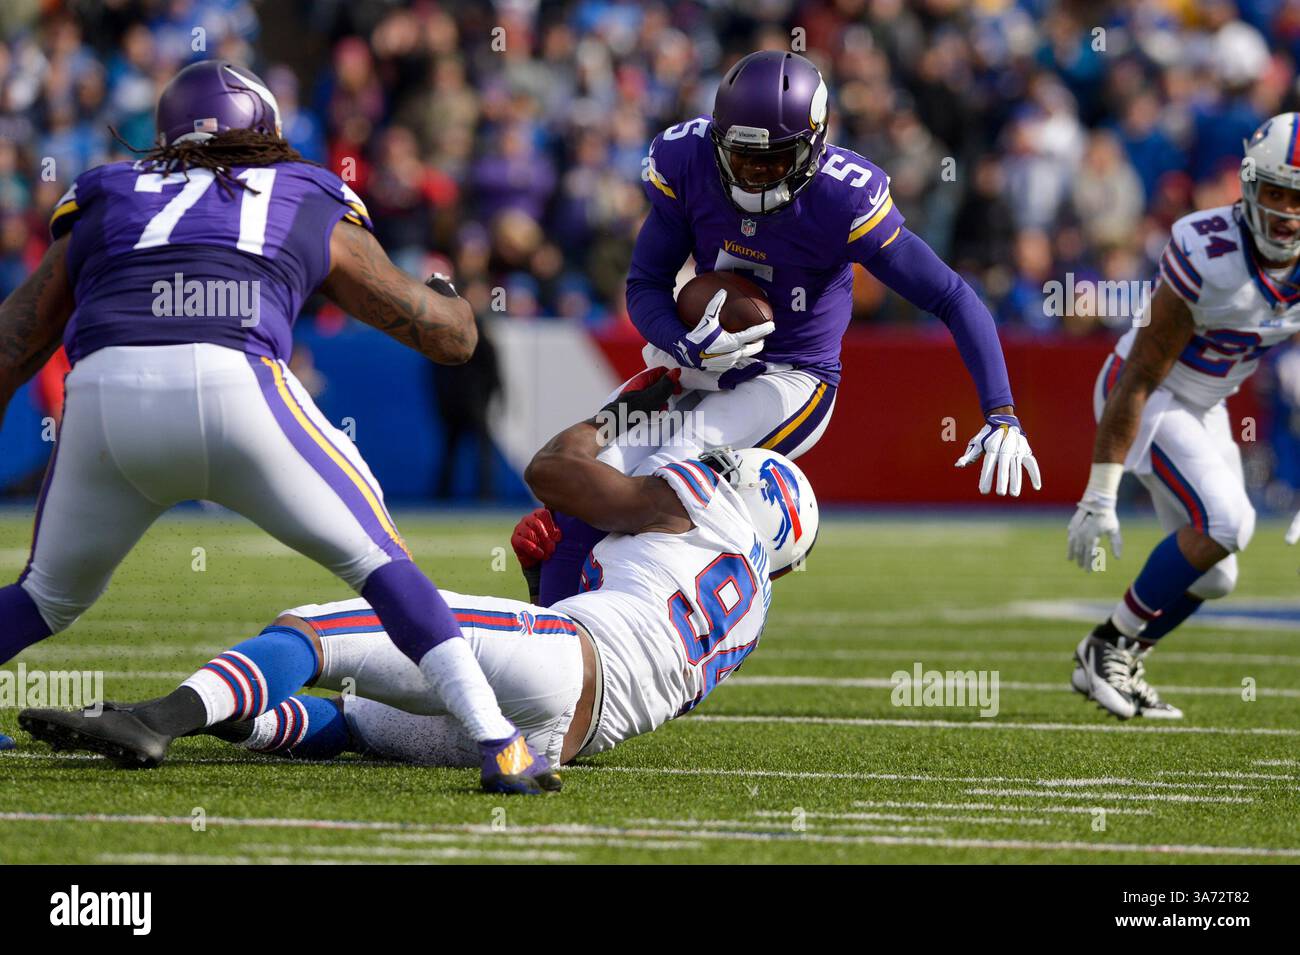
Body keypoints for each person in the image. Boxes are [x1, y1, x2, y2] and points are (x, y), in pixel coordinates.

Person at [0, 60, 548, 793]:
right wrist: (451, 299)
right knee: (380, 563)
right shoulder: (303, 188)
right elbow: (446, 338)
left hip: (106, 396)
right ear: (264, 133)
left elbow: (16, 339)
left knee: (45, 595)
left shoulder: (106, 191)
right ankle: (499, 743)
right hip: (239, 388)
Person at [20, 369, 819, 779]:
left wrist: (620, 412)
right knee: (361, 722)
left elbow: (556, 470)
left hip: (568, 660)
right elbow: (625, 639)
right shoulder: (747, 615)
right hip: (567, 736)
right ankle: (241, 719)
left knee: (320, 627)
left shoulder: (702, 497)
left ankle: (156, 718)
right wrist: (547, 578)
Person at [540, 50, 1041, 605]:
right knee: (582, 485)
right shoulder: (687, 160)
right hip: (701, 358)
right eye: (742, 156)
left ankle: (650, 640)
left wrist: (1002, 412)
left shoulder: (842, 197)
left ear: (814, 143)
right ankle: (557, 643)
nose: (754, 173)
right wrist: (680, 343)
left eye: (773, 160)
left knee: (665, 474)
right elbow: (645, 285)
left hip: (792, 376)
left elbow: (951, 295)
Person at [1067, 112, 1300, 719]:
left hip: (1207, 403)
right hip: (1146, 392)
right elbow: (1142, 371)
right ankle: (1106, 647)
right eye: (1275, 192)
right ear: (1249, 186)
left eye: (1299, 197)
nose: (1286, 211)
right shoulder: (1209, 249)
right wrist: (1101, 493)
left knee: (1216, 575)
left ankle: (1120, 655)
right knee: (1229, 522)